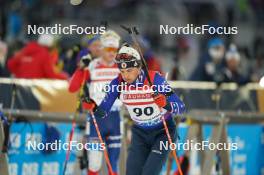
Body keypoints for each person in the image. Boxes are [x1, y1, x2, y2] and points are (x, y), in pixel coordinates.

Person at [82, 45, 185, 175]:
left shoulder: (154, 79)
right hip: (140, 133)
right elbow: (103, 111)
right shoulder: (117, 83)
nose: (126, 75)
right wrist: (93, 107)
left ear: (138, 67)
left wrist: (166, 104)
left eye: (129, 70)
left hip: (163, 132)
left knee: (149, 172)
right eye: (122, 71)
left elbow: (181, 107)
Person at [69, 30, 122, 175]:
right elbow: (72, 88)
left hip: (115, 118)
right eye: (109, 49)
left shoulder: (121, 67)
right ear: (102, 49)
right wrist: (81, 68)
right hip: (96, 118)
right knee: (94, 164)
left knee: (113, 165)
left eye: (115, 50)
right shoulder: (92, 66)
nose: (112, 53)